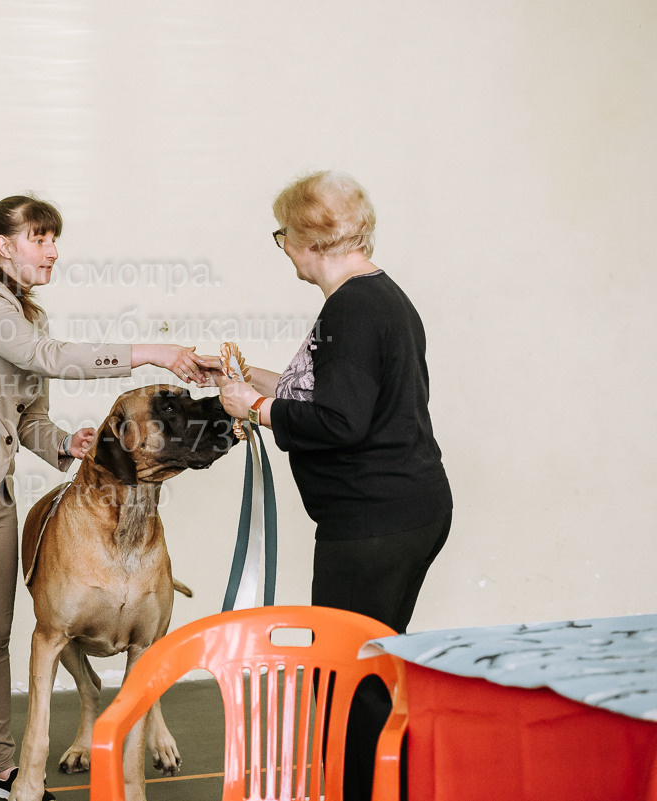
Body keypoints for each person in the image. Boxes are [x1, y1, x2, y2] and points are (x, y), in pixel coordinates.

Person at [0, 194, 213, 801]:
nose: (53, 251)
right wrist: (154, 353)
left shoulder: (26, 320)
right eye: (40, 238)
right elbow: (50, 360)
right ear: (3, 246)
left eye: (54, 239)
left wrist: (67, 444)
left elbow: (30, 418)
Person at [212, 171, 452, 800]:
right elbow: (332, 394)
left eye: (283, 236)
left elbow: (340, 421)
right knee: (370, 666)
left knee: (346, 678)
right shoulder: (376, 296)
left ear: (309, 239)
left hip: (374, 521)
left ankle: (363, 791)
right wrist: (246, 378)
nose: (284, 248)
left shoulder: (352, 308)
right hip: (404, 508)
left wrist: (254, 409)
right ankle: (389, 785)